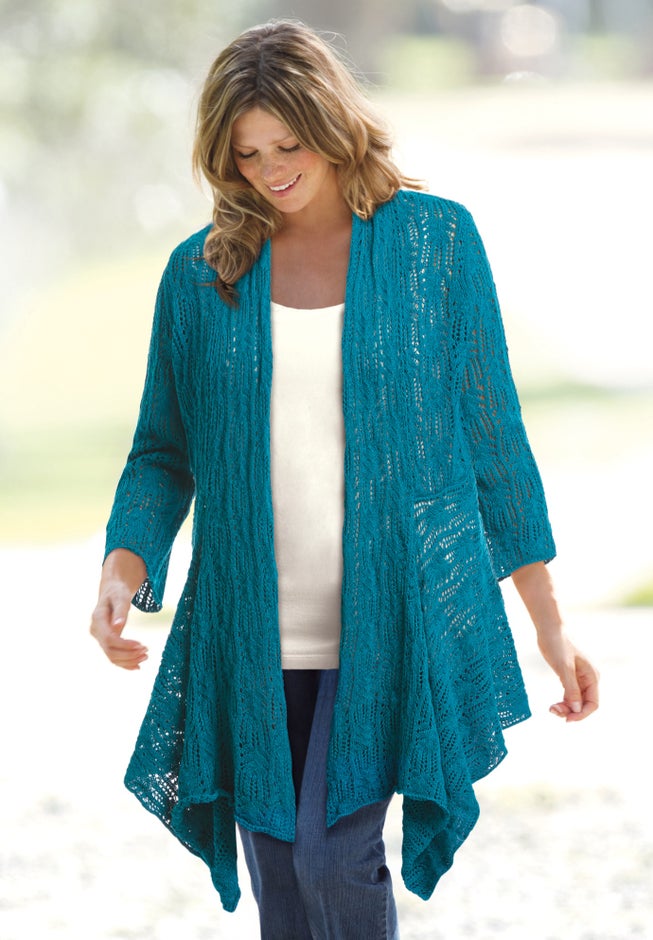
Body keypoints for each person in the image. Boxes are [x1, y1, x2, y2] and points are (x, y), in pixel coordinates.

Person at [90, 20, 599, 940]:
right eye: (247, 154)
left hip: (388, 624)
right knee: (281, 878)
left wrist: (549, 627)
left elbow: (493, 443)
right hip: (247, 631)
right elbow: (162, 451)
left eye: (287, 144)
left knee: (329, 856)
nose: (270, 170)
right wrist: (122, 571)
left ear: (330, 123)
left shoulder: (434, 243)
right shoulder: (201, 275)